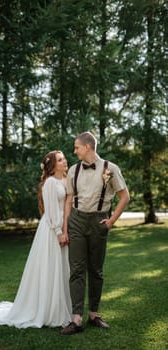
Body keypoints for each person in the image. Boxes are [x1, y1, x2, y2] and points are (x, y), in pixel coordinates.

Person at [0, 150, 72, 328]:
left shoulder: (65, 180)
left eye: (64, 158)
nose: (64, 161)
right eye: (60, 160)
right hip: (53, 230)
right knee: (51, 268)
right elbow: (51, 210)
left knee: (62, 269)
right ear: (52, 166)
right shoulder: (50, 183)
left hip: (65, 226)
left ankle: (62, 307)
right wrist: (59, 231)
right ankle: (49, 310)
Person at [61, 131, 130, 335]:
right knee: (76, 269)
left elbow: (124, 197)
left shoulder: (111, 169)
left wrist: (111, 221)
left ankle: (94, 314)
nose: (75, 151)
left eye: (77, 147)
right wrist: (65, 228)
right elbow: (68, 201)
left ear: (88, 147)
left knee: (96, 270)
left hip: (99, 221)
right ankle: (76, 319)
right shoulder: (73, 170)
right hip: (76, 221)